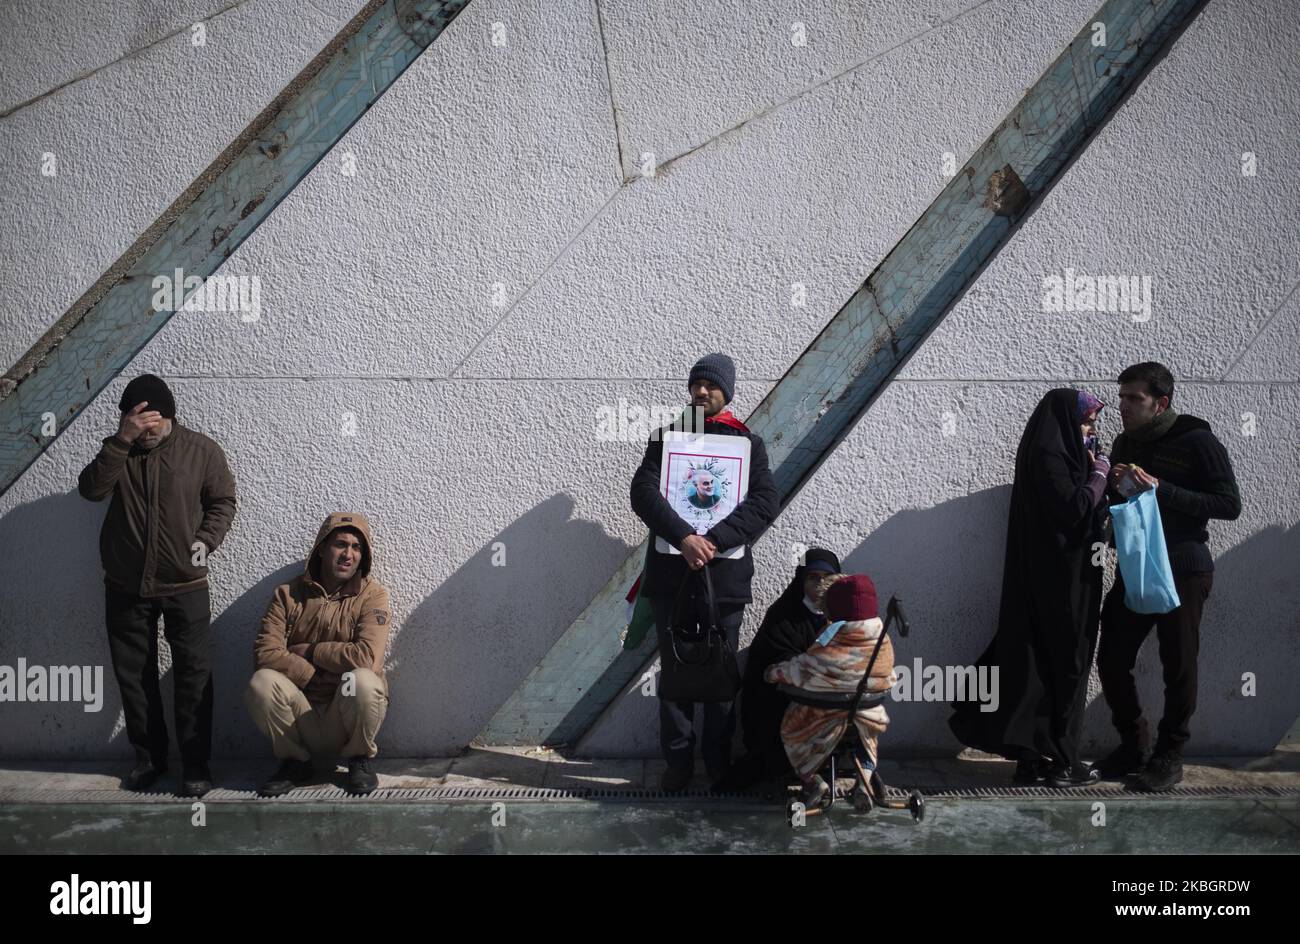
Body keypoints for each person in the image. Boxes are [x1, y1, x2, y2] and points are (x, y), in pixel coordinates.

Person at [77, 374, 237, 796]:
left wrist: (206, 541)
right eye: (139, 425)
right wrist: (121, 441)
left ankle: (196, 765)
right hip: (126, 585)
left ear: (170, 417)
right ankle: (149, 759)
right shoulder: (119, 450)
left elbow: (222, 501)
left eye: (154, 426)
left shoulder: (201, 450)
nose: (147, 434)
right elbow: (92, 490)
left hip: (185, 582)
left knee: (194, 674)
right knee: (134, 676)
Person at [630, 353, 779, 792]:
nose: (700, 391)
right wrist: (684, 538)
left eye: (710, 385)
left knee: (722, 675)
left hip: (724, 582)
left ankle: (718, 763)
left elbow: (764, 502)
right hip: (671, 580)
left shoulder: (749, 444)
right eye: (696, 383)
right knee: (674, 674)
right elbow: (643, 492)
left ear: (726, 392)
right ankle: (678, 764)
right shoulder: (666, 439)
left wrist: (712, 540)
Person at [948, 388, 1111, 787]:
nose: (1091, 430)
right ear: (1066, 422)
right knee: (1067, 664)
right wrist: (1102, 473)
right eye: (1086, 422)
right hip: (1064, 581)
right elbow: (1075, 507)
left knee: (1038, 665)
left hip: (1055, 576)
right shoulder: (1049, 456)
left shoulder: (1058, 455)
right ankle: (1063, 761)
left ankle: (1031, 757)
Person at [1094, 362, 1241, 791]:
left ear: (1161, 403)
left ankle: (1169, 755)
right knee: (1111, 657)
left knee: (1178, 664)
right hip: (1137, 565)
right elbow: (1123, 503)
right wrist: (1115, 483)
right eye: (1121, 397)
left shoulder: (1197, 440)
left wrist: (1161, 488)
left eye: (1134, 398)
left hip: (1183, 566)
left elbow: (1228, 504)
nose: (1123, 406)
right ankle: (1132, 746)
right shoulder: (1125, 442)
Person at [244, 513, 392, 797]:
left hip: (343, 712)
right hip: (302, 712)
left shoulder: (373, 596)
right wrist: (311, 676)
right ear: (322, 548)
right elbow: (265, 653)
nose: (348, 554)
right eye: (341, 544)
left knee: (363, 681)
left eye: (357, 547)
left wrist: (311, 651)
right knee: (261, 682)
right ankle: (295, 763)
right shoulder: (287, 594)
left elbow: (366, 657)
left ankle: (359, 759)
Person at [763, 574, 896, 809]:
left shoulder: (834, 638)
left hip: (823, 716)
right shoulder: (882, 638)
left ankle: (812, 779)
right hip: (868, 713)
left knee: (792, 730)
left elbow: (802, 668)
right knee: (867, 739)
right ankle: (864, 779)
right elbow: (888, 674)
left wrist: (774, 673)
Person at [726, 548, 842, 789]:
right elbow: (781, 664)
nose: (820, 584)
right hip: (781, 701)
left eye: (827, 578)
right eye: (813, 577)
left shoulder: (842, 615)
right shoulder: (784, 615)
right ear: (801, 579)